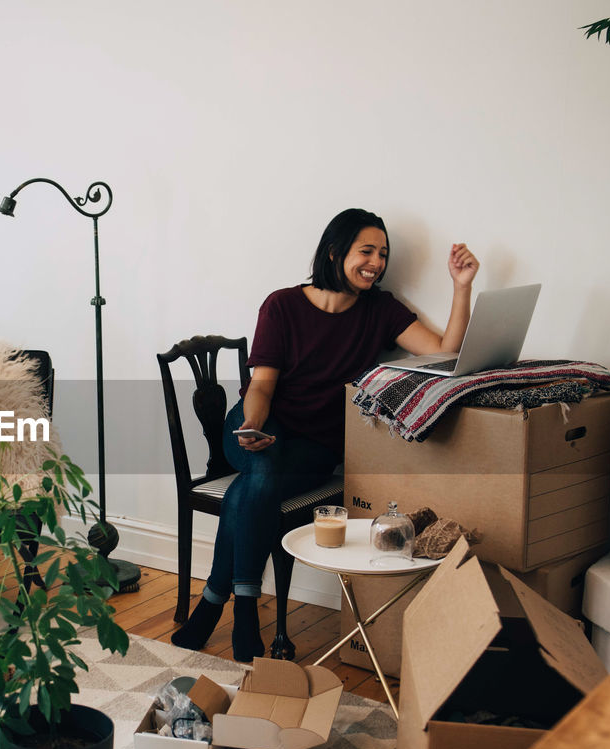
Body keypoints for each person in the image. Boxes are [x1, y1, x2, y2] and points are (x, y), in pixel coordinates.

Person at [171, 208, 479, 661]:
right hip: (260, 424)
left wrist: (461, 286)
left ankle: (219, 602)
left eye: (383, 254)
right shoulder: (282, 305)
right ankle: (243, 611)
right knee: (259, 471)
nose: (376, 262)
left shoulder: (381, 310)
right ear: (335, 252)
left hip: (316, 446)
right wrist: (251, 428)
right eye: (366, 251)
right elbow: (262, 385)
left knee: (253, 487)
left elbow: (446, 352)